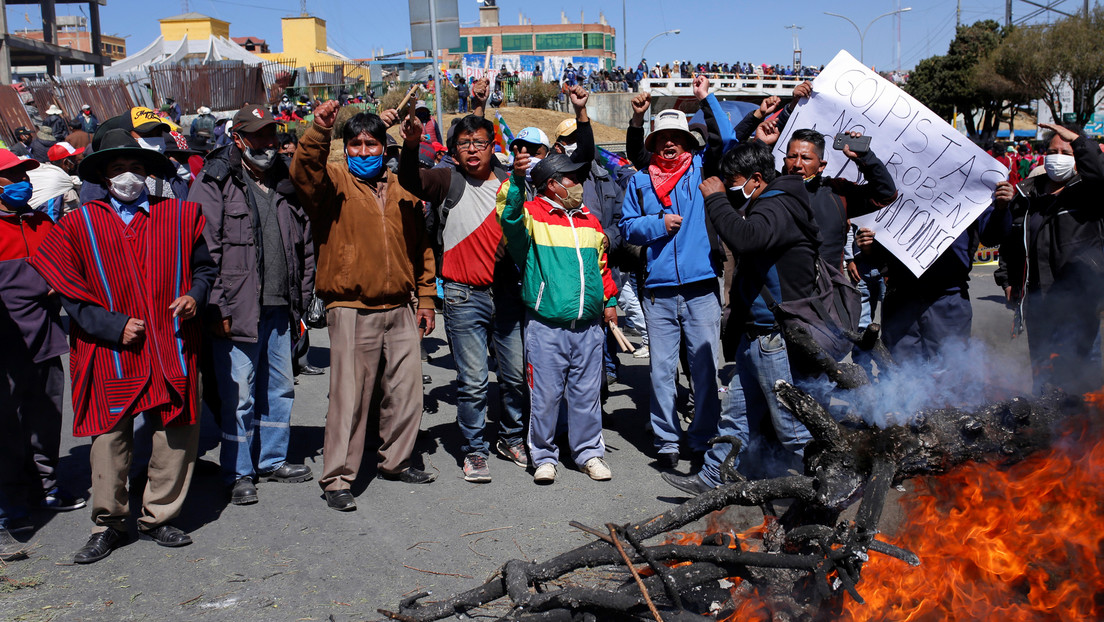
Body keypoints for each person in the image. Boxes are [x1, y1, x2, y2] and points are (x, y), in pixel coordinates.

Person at [28, 129, 215, 563]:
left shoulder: (181, 217)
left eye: (134, 168)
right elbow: (65, 288)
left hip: (171, 343)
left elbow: (205, 271)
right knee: (109, 439)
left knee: (175, 432)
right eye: (117, 169)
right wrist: (110, 325)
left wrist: (195, 296)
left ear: (148, 174)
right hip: (110, 349)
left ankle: (160, 517)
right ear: (104, 177)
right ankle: (109, 523)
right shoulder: (79, 223)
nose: (127, 176)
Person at [293, 100, 437, 509]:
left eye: (371, 144)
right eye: (354, 144)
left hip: (401, 307)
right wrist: (319, 131)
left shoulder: (403, 188)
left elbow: (421, 249)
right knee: (350, 398)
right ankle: (338, 478)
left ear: (384, 149)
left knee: (407, 392)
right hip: (351, 306)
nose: (363, 151)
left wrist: (425, 298)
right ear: (345, 148)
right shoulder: (333, 182)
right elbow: (303, 174)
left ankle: (395, 460)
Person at [663, 141, 819, 494]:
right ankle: (713, 477)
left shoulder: (777, 204)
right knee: (735, 415)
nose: (731, 188)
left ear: (757, 178)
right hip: (757, 334)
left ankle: (834, 485)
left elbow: (747, 239)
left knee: (792, 427)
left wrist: (716, 199)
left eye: (734, 181)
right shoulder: (772, 199)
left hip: (772, 336)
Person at [397, 83, 530, 484]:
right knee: (472, 381)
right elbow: (410, 180)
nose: (472, 149)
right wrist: (410, 145)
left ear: (493, 147)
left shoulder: (510, 182)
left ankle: (510, 438)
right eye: (464, 143)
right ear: (454, 150)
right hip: (461, 295)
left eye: (480, 142)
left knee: (515, 376)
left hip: (507, 295)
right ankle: (474, 450)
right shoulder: (445, 180)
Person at [189, 104, 315, 506]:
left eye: (270, 135)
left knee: (280, 388)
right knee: (239, 395)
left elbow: (305, 244)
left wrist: (305, 300)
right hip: (237, 311)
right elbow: (202, 251)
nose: (266, 143)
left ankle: (273, 460)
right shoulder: (215, 180)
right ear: (238, 138)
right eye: (257, 135)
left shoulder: (284, 180)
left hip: (281, 308)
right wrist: (216, 309)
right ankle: (238, 471)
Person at [499, 152, 618, 483]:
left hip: (589, 327)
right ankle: (544, 457)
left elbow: (601, 266)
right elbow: (507, 218)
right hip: (546, 326)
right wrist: (517, 179)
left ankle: (589, 454)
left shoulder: (589, 220)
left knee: (586, 395)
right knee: (545, 396)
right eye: (572, 179)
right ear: (551, 184)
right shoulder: (531, 216)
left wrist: (608, 300)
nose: (579, 184)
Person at [618, 103, 726, 470]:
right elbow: (627, 227)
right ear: (653, 143)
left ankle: (702, 436)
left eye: (675, 138)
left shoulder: (702, 169)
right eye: (661, 138)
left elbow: (726, 139)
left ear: (687, 143)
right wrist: (657, 224)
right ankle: (667, 440)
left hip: (702, 287)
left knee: (705, 368)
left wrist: (707, 100)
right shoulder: (639, 180)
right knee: (662, 370)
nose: (668, 144)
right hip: (658, 291)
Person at [0, 150, 82, 562]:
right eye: (11, 176)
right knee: (8, 423)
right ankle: (10, 498)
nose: (22, 181)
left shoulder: (41, 221)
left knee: (48, 412)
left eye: (22, 173)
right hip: (8, 343)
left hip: (46, 337)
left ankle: (45, 485)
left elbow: (66, 264)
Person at [989, 122, 1104, 394]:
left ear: (1078, 159)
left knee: (1080, 377)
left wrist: (1077, 140)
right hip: (1039, 303)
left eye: (1066, 152)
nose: (1058, 157)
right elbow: (1010, 242)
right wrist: (1007, 279)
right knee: (1044, 374)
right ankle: (1047, 431)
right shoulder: (1026, 194)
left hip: (1079, 303)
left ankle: (1080, 431)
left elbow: (1099, 172)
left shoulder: (1089, 193)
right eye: (1053, 151)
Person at [28, 142, 83, 221]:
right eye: (74, 159)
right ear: (66, 162)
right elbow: (51, 217)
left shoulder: (63, 180)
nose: (76, 162)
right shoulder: (55, 183)